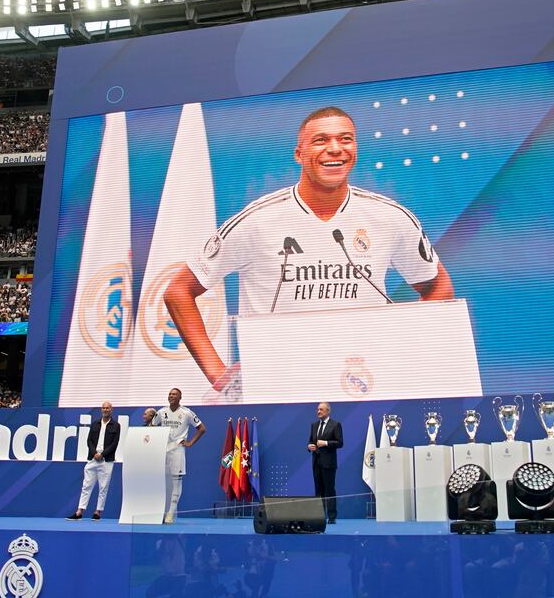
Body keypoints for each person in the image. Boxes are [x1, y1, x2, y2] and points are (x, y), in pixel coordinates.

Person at [164, 106, 454, 397]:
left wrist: (396, 347)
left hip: (362, 383)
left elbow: (438, 285)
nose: (335, 149)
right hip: (279, 385)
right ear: (298, 154)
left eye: (346, 139)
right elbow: (178, 291)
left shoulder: (389, 217)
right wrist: (219, 375)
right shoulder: (256, 221)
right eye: (321, 140)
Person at [151, 388, 205, 524]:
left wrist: (190, 442)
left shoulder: (186, 413)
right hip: (162, 451)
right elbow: (151, 427)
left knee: (176, 481)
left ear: (180, 397)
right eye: (169, 394)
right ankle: (160, 512)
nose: (171, 396)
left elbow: (202, 428)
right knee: (162, 482)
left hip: (177, 451)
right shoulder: (161, 412)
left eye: (174, 394)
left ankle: (170, 513)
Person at [68, 401, 120, 521]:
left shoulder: (116, 425)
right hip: (93, 458)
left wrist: (102, 454)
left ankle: (98, 511)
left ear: (111, 410)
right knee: (86, 485)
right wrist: (95, 453)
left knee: (103, 487)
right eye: (103, 408)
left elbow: (114, 443)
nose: (105, 410)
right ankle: (79, 511)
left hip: (106, 460)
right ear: (101, 410)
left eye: (107, 408)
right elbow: (89, 441)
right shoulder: (95, 424)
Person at [307, 401, 343, 524]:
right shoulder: (314, 425)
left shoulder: (335, 425)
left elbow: (339, 443)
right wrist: (310, 446)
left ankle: (332, 517)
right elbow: (311, 442)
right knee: (318, 490)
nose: (318, 411)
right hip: (316, 462)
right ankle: (319, 516)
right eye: (317, 409)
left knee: (329, 490)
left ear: (328, 411)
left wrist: (326, 443)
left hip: (329, 463)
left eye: (321, 409)